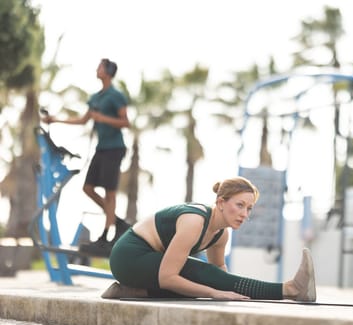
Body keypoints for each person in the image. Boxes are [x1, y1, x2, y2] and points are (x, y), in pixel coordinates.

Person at [101, 176, 317, 301]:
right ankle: (291, 289)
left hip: (151, 262)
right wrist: (215, 292)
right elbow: (171, 277)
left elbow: (219, 270)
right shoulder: (194, 221)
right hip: (129, 256)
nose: (245, 214)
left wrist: (229, 289)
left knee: (194, 287)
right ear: (221, 202)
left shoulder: (221, 234)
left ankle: (131, 290)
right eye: (239, 205)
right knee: (197, 276)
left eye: (249, 208)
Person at [42, 58, 130, 253]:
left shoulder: (115, 96)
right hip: (101, 148)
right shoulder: (95, 98)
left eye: (100, 66)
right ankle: (115, 219)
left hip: (115, 148)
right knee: (87, 188)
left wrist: (103, 118)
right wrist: (55, 120)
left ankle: (108, 234)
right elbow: (83, 120)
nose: (96, 69)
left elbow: (125, 122)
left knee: (110, 192)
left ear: (108, 71)